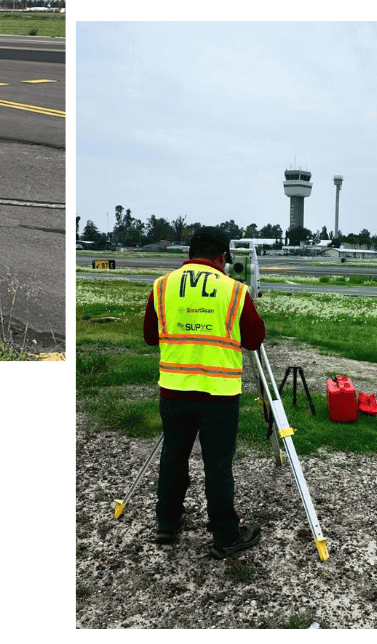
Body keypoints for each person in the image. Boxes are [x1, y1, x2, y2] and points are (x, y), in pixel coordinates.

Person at [143, 226, 266, 558]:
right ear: (222, 257)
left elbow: (150, 337)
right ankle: (225, 534)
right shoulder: (235, 291)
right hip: (219, 395)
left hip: (174, 390)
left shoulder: (161, 286)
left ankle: (166, 523)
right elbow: (255, 340)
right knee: (217, 464)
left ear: (189, 254)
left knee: (173, 458)